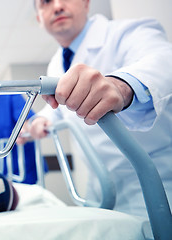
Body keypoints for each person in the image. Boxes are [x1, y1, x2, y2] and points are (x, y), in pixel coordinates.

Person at [30, 0, 172, 219]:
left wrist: (121, 85)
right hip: (100, 190)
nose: (57, 6)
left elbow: (163, 61)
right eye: (46, 2)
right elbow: (59, 108)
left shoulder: (128, 32)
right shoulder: (56, 64)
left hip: (157, 183)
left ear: (86, 3)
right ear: (39, 18)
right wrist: (40, 120)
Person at [0, 56, 45, 184]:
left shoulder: (11, 96)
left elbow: (27, 124)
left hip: (25, 157)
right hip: (3, 161)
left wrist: (23, 132)